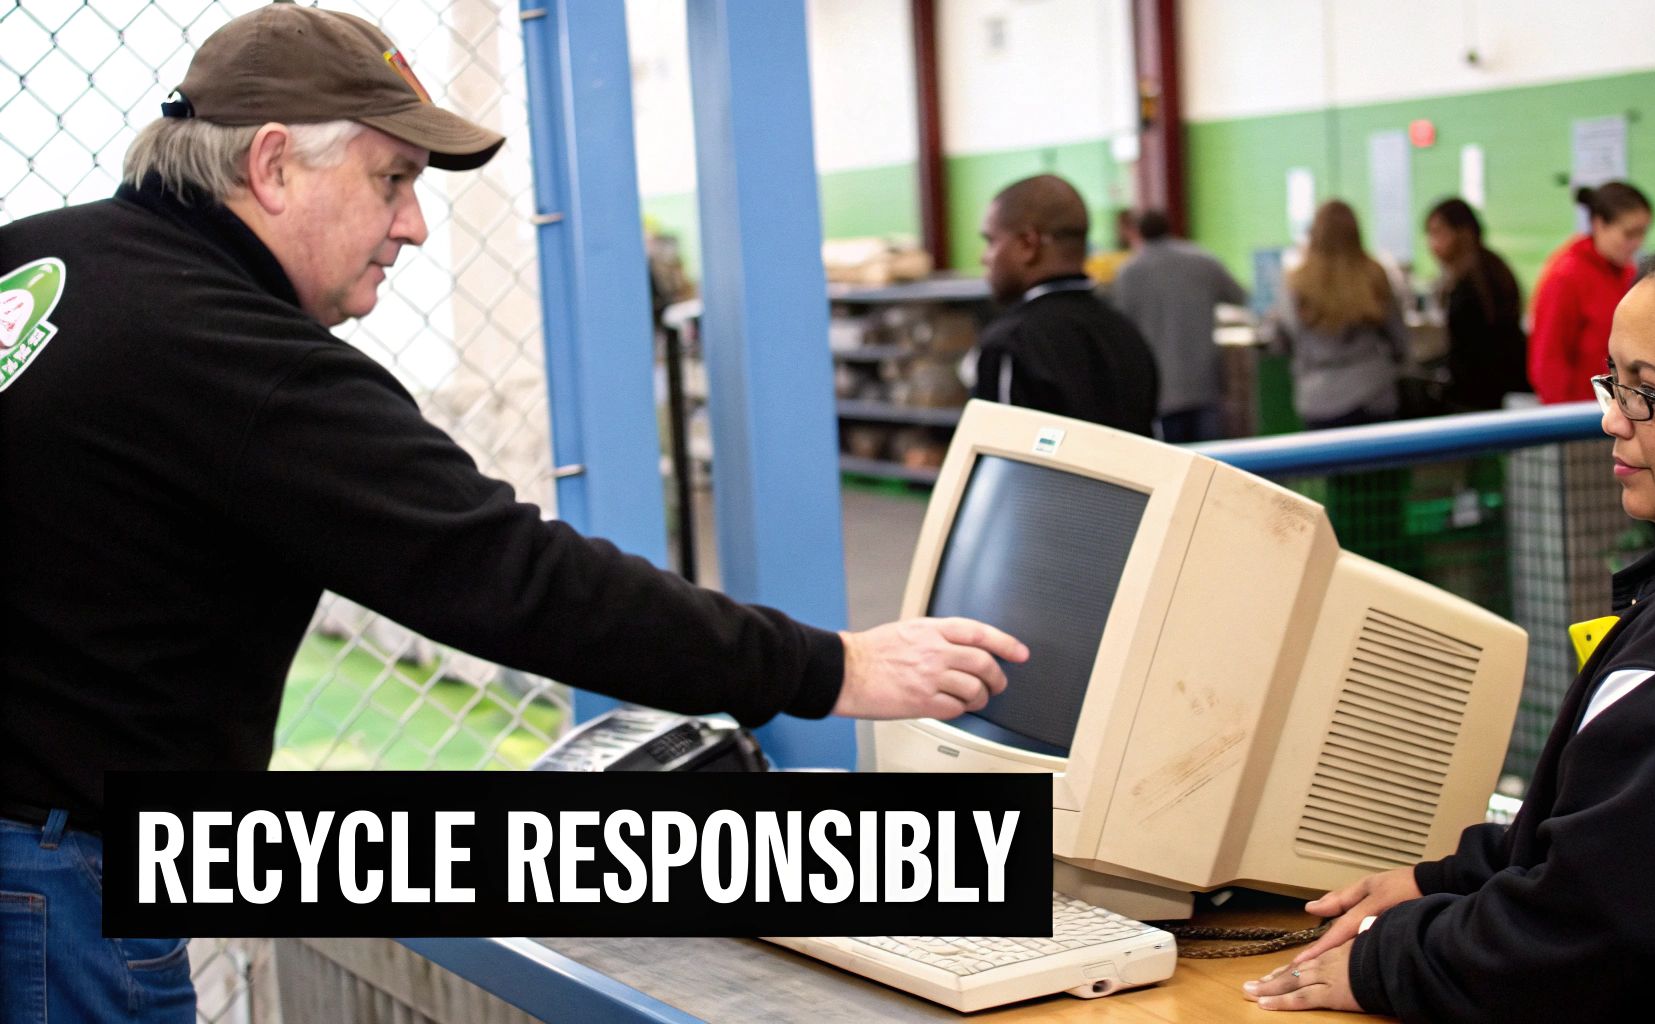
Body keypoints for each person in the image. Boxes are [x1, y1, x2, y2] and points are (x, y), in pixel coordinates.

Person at [0, 4, 1026, 1019]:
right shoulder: (243, 361)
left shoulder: (36, 262)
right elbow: (516, 580)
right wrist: (830, 668)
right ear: (272, 166)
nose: (412, 223)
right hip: (53, 873)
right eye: (391, 179)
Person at [1243, 224, 1655, 1021]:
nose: (1614, 419)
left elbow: (1593, 939)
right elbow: (1646, 840)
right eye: (1610, 383)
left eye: (1646, 391)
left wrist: (1389, 958)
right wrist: (1447, 878)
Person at [971, 175, 1158, 437]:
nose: (985, 257)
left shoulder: (1012, 343)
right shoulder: (1125, 332)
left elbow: (1004, 463)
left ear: (1028, 244)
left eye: (991, 241)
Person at [1111, 209, 1250, 442]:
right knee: (1212, 465)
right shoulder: (1202, 261)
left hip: (1159, 391)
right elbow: (1239, 295)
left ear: (1138, 233)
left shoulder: (1128, 273)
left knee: (1174, 469)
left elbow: (1121, 328)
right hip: (1204, 384)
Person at [1267, 200, 1408, 430]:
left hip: (1319, 398)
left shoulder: (1296, 282)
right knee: (1376, 465)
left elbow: (1280, 342)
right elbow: (1399, 340)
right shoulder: (1374, 275)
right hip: (1373, 391)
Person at [1528, 181, 1652, 404]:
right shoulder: (1566, 276)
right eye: (1629, 234)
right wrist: (1566, 420)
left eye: (1642, 233)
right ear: (1599, 224)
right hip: (1581, 415)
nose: (1637, 243)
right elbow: (1547, 361)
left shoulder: (1627, 272)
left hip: (1622, 405)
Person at [1424, 198, 1529, 412]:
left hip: (1480, 395)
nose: (1431, 243)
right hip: (1502, 385)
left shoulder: (1473, 282)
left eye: (1438, 233)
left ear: (1461, 233)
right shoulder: (1493, 267)